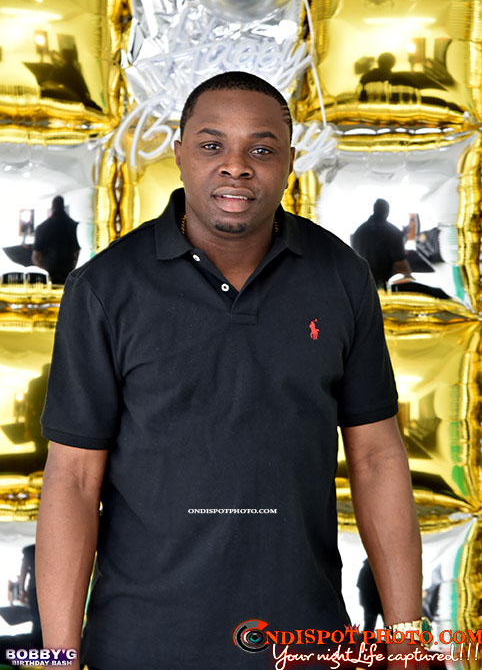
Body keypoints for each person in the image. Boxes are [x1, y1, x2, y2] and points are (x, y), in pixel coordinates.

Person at [36, 72, 428, 670]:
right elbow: (72, 479)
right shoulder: (105, 288)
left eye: (261, 149)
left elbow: (376, 457)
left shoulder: (341, 276)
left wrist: (406, 642)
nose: (236, 166)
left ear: (289, 162)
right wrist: (58, 660)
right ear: (179, 153)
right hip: (143, 646)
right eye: (212, 144)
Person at [351, 199, 413, 289]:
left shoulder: (359, 231)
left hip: (361, 284)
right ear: (387, 211)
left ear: (374, 209)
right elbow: (401, 266)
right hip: (383, 285)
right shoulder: (393, 231)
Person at [32, 196, 80, 284]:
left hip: (49, 271)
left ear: (52, 207)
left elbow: (36, 255)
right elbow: (76, 251)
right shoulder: (73, 225)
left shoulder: (42, 227)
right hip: (67, 270)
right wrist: (73, 268)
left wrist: (42, 271)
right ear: (63, 206)